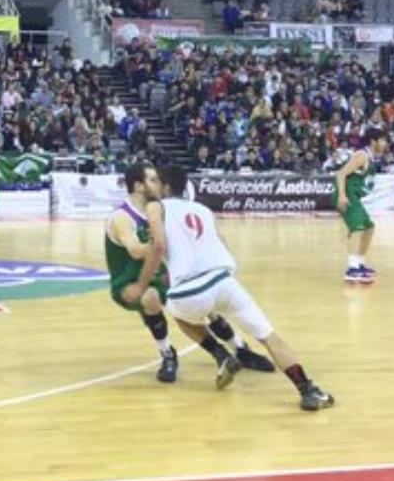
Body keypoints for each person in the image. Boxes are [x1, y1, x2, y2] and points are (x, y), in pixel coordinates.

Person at [137, 165, 335, 411]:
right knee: (268, 336)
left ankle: (221, 355)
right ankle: (307, 389)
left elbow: (158, 246)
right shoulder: (203, 209)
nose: (151, 186)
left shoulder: (155, 207)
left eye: (156, 182)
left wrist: (142, 284)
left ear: (165, 187)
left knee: (180, 314)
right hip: (224, 279)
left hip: (189, 290)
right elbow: (221, 243)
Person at [108, 164, 273, 384]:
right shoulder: (122, 216)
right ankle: (168, 353)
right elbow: (136, 251)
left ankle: (240, 349)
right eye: (152, 180)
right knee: (151, 298)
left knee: (205, 300)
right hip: (130, 280)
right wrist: (159, 243)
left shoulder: (162, 209)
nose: (159, 184)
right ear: (138, 186)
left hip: (162, 275)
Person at [333, 128, 387, 284]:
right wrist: (342, 195)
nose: (385, 144)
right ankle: (351, 268)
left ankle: (359, 262)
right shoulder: (362, 155)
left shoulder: (372, 157)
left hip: (353, 195)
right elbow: (340, 173)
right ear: (373, 141)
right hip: (346, 194)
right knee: (357, 228)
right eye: (382, 140)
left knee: (369, 227)